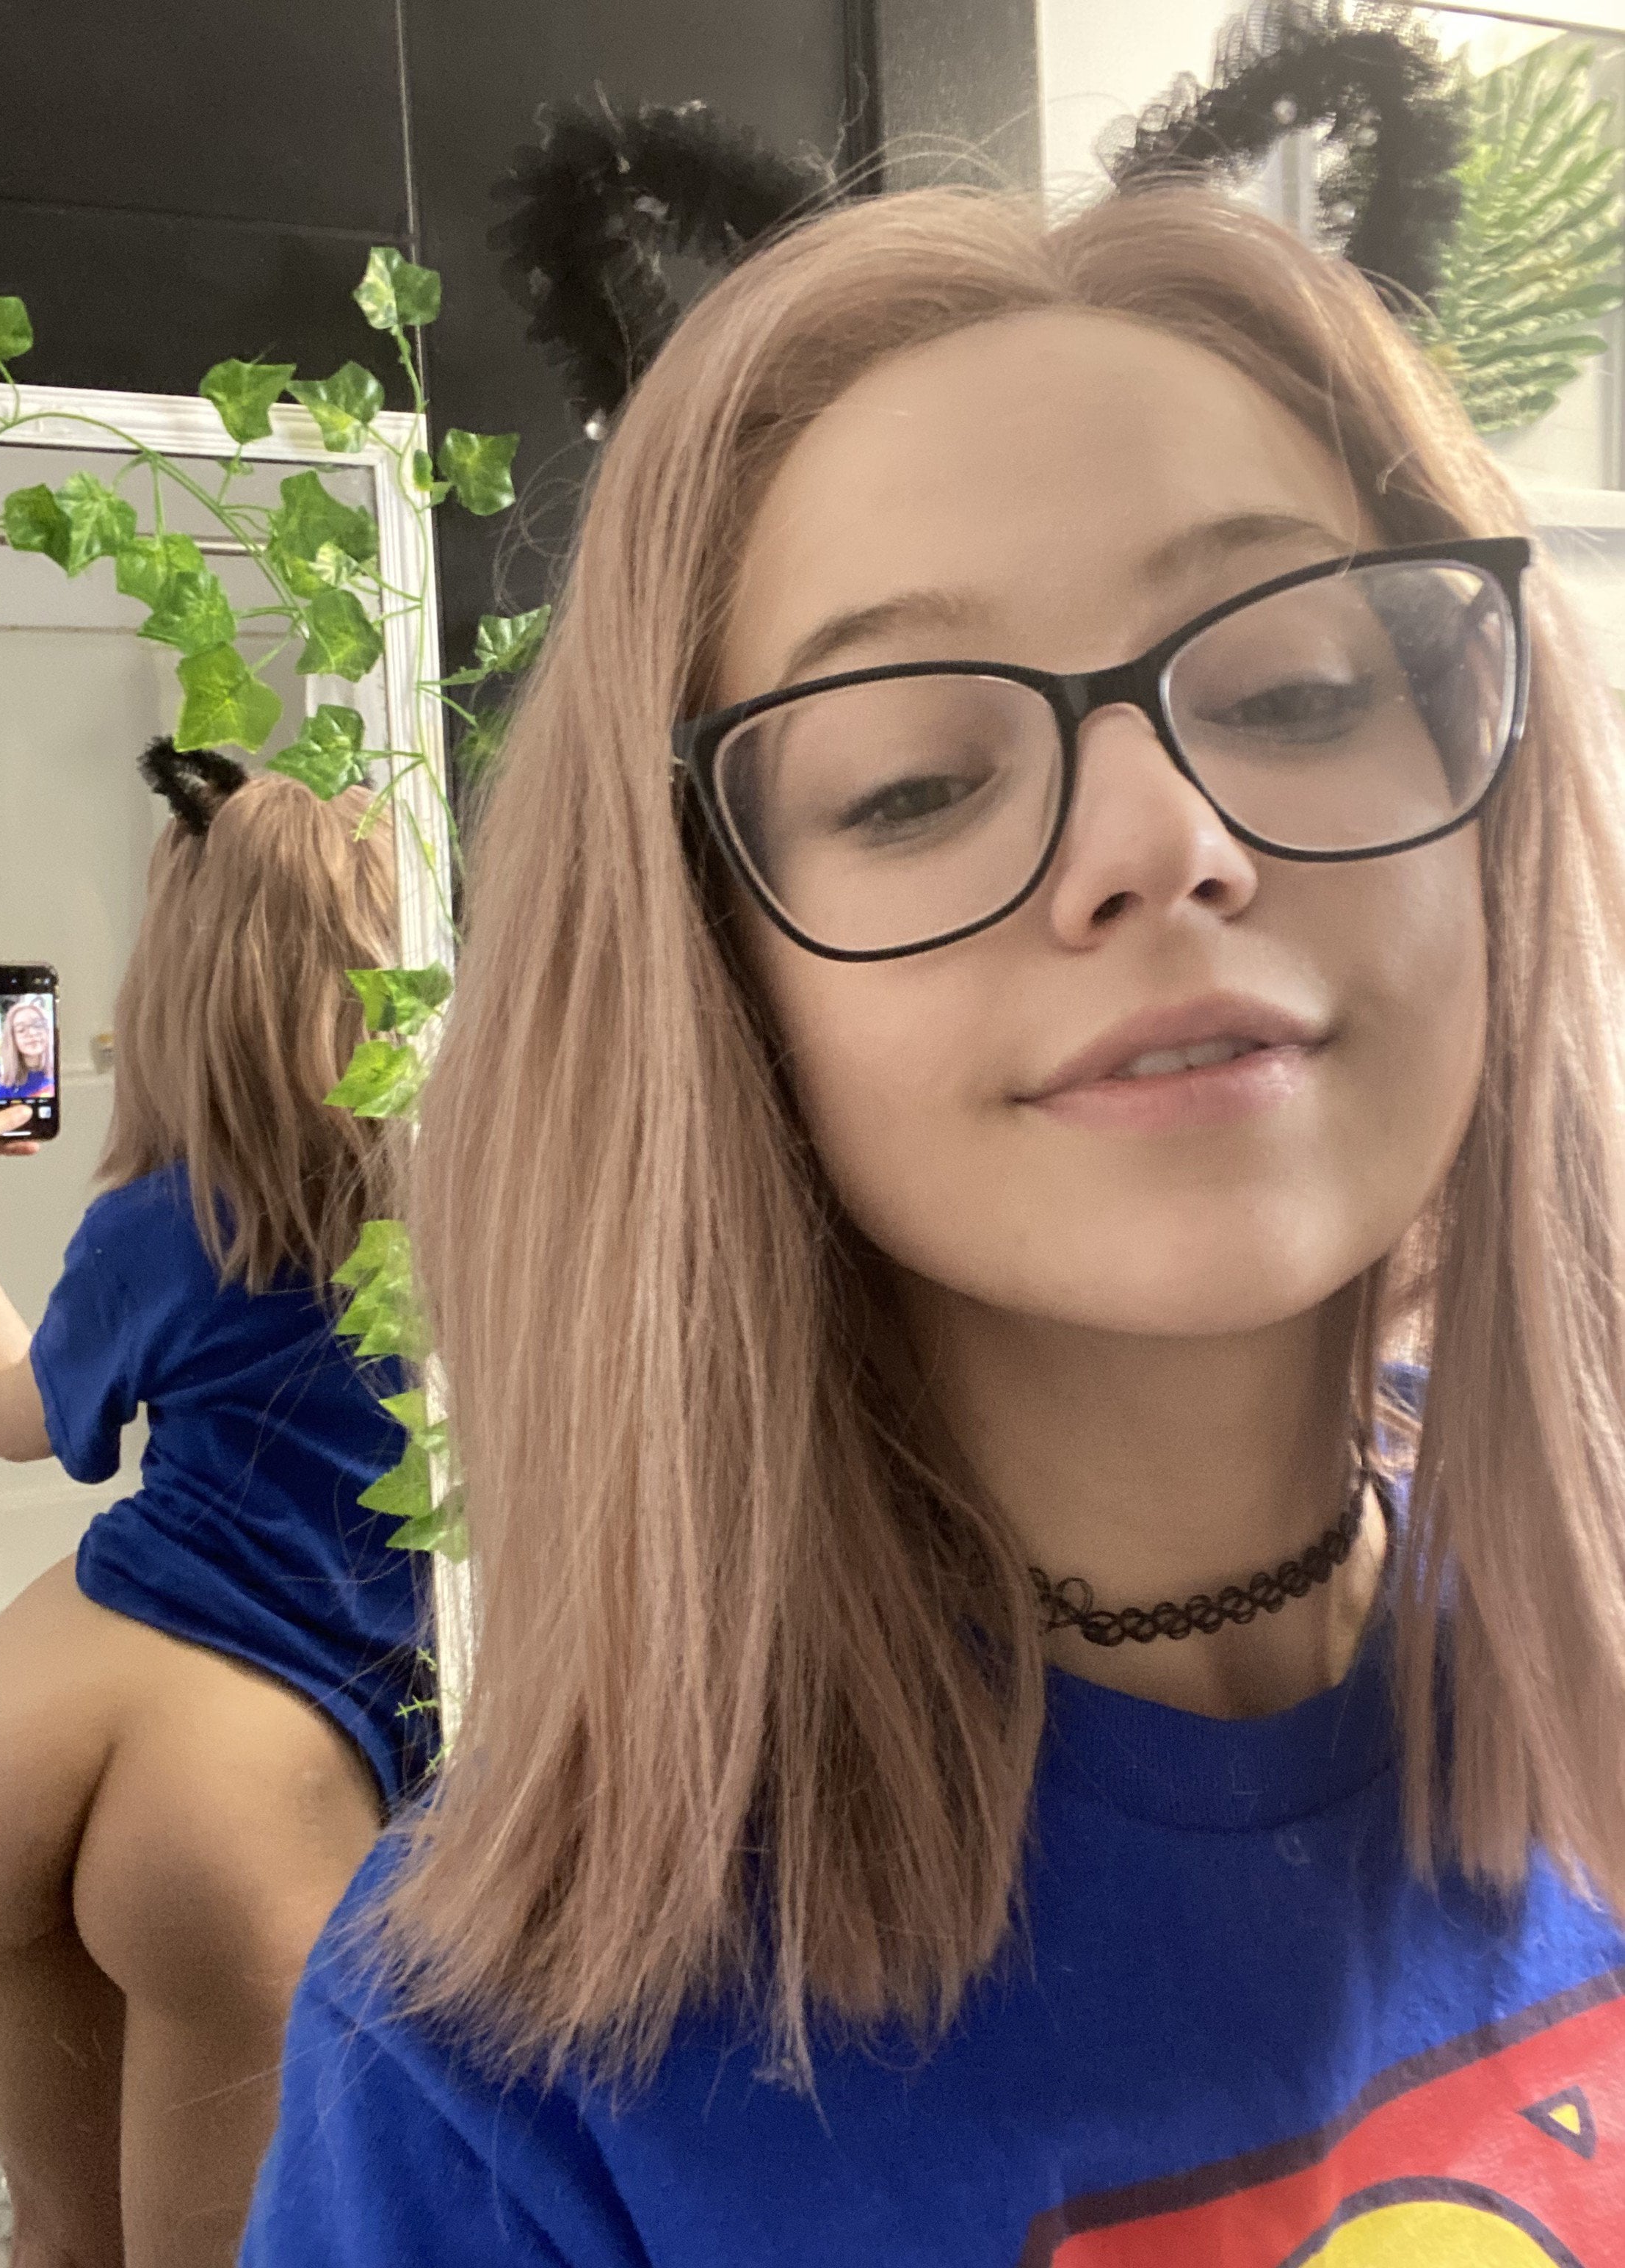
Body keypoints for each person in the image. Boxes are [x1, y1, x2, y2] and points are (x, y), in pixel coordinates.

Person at [242, 183, 1625, 2265]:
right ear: (712, 988)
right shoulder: (505, 2074)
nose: (1166, 837)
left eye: (1290, 686)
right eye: (907, 782)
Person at [0, 750, 437, 2268]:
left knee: (57, 2236)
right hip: (246, 1773)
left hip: (9, 1716)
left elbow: (18, 1417)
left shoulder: (153, 1222)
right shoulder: (452, 1201)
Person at [0, 994, 54, 1103]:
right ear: (12, 1039)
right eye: (21, 1030)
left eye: (37, 1025)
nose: (32, 1033)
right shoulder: (4, 1089)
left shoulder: (60, 1074)